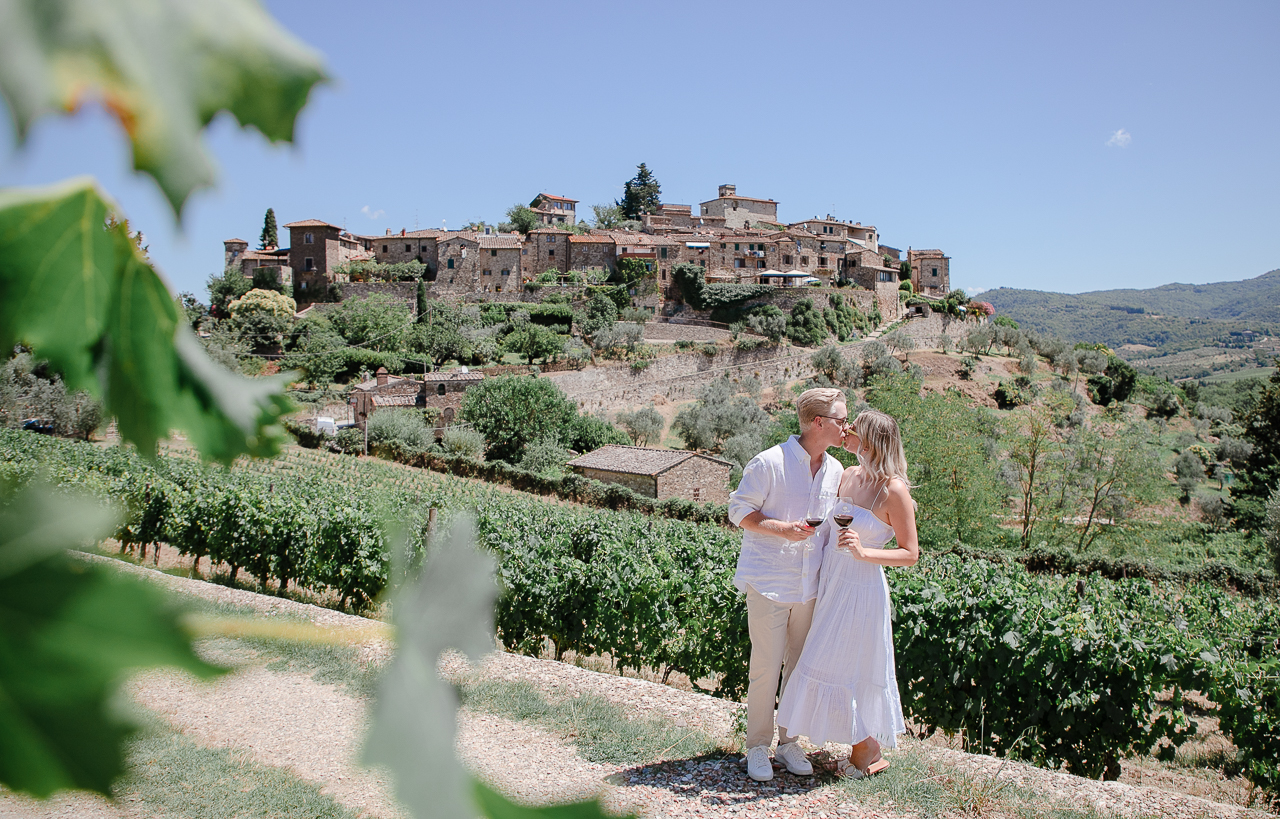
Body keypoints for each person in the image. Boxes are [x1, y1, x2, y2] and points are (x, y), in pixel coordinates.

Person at [775, 409, 919, 779]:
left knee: (844, 667)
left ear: (870, 441)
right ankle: (862, 745)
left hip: (861, 590)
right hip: (832, 583)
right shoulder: (850, 475)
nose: (847, 431)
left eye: (854, 428)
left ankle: (866, 747)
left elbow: (910, 553)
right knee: (825, 661)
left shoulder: (895, 491)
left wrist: (864, 552)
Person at [727, 387, 849, 782]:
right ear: (818, 422)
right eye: (841, 420)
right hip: (769, 580)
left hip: (810, 586)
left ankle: (790, 741)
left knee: (800, 667)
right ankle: (757, 747)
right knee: (765, 667)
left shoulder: (835, 471)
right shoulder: (769, 462)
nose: (846, 426)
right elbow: (739, 511)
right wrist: (783, 530)